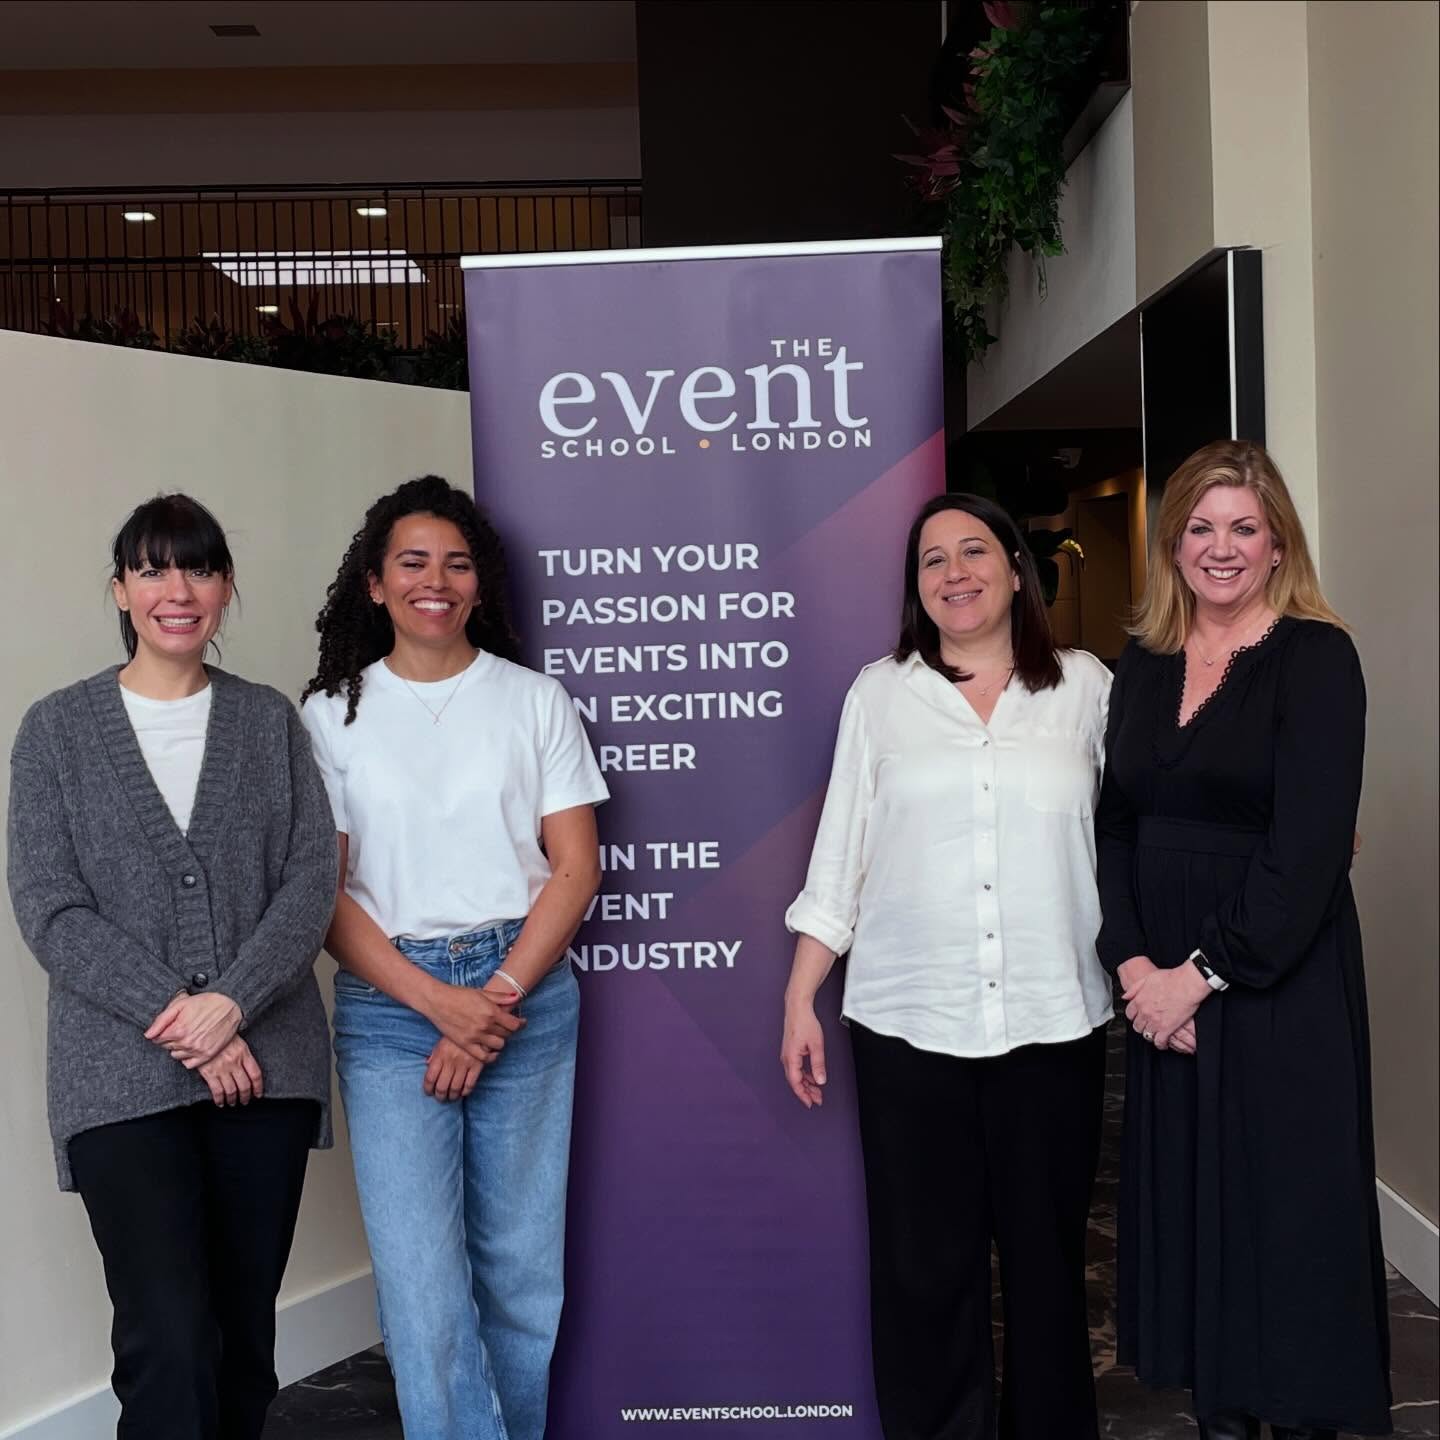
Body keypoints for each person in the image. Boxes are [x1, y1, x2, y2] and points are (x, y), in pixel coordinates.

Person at [781, 492, 1114, 1440]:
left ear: (1018, 569)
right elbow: (839, 856)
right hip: (907, 1024)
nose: (955, 572)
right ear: (915, 587)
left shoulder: (1087, 689)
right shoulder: (880, 694)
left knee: (1049, 1269)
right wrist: (802, 994)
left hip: (1055, 1020)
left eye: (976, 551)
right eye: (933, 559)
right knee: (925, 1271)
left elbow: (1145, 829)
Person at [6, 494, 337, 1440]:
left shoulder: (269, 723)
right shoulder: (56, 732)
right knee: (167, 1336)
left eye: (197, 568)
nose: (175, 590)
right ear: (120, 589)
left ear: (226, 589)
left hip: (264, 1069)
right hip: (118, 1077)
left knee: (242, 1341)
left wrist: (232, 1002)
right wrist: (189, 1016)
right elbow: (50, 907)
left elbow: (312, 879)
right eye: (151, 569)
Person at [300, 474, 606, 1440]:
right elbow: (326, 897)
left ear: (481, 585)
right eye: (413, 562)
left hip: (526, 993)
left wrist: (495, 997)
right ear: (375, 585)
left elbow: (575, 867)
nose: (437, 580)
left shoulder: (532, 700)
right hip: (394, 1007)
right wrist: (441, 1005)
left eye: (458, 562)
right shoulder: (328, 714)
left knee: (520, 1270)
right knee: (424, 1284)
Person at [1097, 440, 1392, 1439]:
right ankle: (1222, 1415)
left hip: (1275, 978)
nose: (1220, 548)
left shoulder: (1317, 658)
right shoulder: (1141, 659)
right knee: (1197, 1214)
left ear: (1276, 547)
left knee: (1287, 1212)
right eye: (1200, 528)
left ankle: (1298, 1417)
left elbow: (1309, 852)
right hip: (1162, 981)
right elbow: (1114, 823)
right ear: (1172, 543)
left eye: (1244, 528)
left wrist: (1201, 975)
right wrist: (1136, 965)